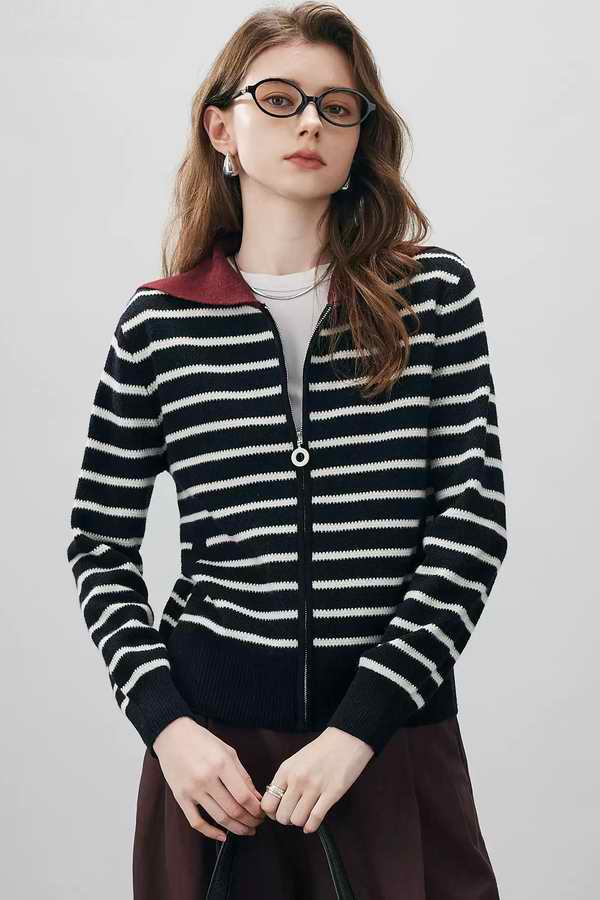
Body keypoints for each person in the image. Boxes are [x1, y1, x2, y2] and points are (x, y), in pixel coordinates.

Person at [66, 4, 508, 898]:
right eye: (279, 98)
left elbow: (471, 525)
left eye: (337, 108)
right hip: (216, 767)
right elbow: (100, 546)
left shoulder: (432, 297)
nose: (310, 122)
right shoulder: (158, 324)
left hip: (389, 741)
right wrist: (167, 728)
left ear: (359, 139)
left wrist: (357, 727)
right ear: (221, 128)